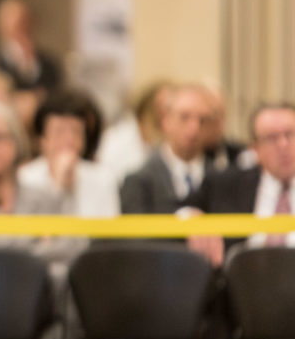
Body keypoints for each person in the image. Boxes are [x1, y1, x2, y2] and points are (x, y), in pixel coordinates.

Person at [186, 102, 295, 248]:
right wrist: (194, 219)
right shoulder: (225, 183)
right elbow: (178, 207)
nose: (283, 145)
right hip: (243, 268)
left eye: (290, 134)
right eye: (272, 138)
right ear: (255, 148)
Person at [18, 90, 120, 217]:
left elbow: (107, 230)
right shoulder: (24, 178)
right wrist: (58, 186)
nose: (69, 140)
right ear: (42, 140)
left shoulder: (102, 178)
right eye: (59, 131)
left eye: (76, 132)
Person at [120, 83, 213, 214]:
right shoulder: (139, 181)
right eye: (184, 117)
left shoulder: (221, 178)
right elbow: (134, 232)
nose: (194, 127)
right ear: (165, 120)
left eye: (202, 120)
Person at [0, 0, 62, 96]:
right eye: (16, 24)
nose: (23, 27)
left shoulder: (48, 62)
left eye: (25, 21)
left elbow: (56, 92)